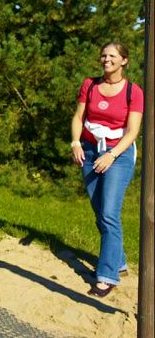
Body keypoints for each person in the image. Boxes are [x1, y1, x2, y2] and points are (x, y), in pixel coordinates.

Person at [70, 42, 143, 298]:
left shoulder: (134, 92)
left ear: (124, 61)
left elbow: (133, 131)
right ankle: (119, 261)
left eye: (112, 56)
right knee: (100, 211)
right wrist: (76, 142)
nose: (106, 59)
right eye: (103, 55)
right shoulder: (89, 85)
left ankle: (107, 275)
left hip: (118, 154)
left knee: (110, 213)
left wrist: (111, 155)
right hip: (90, 151)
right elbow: (78, 117)